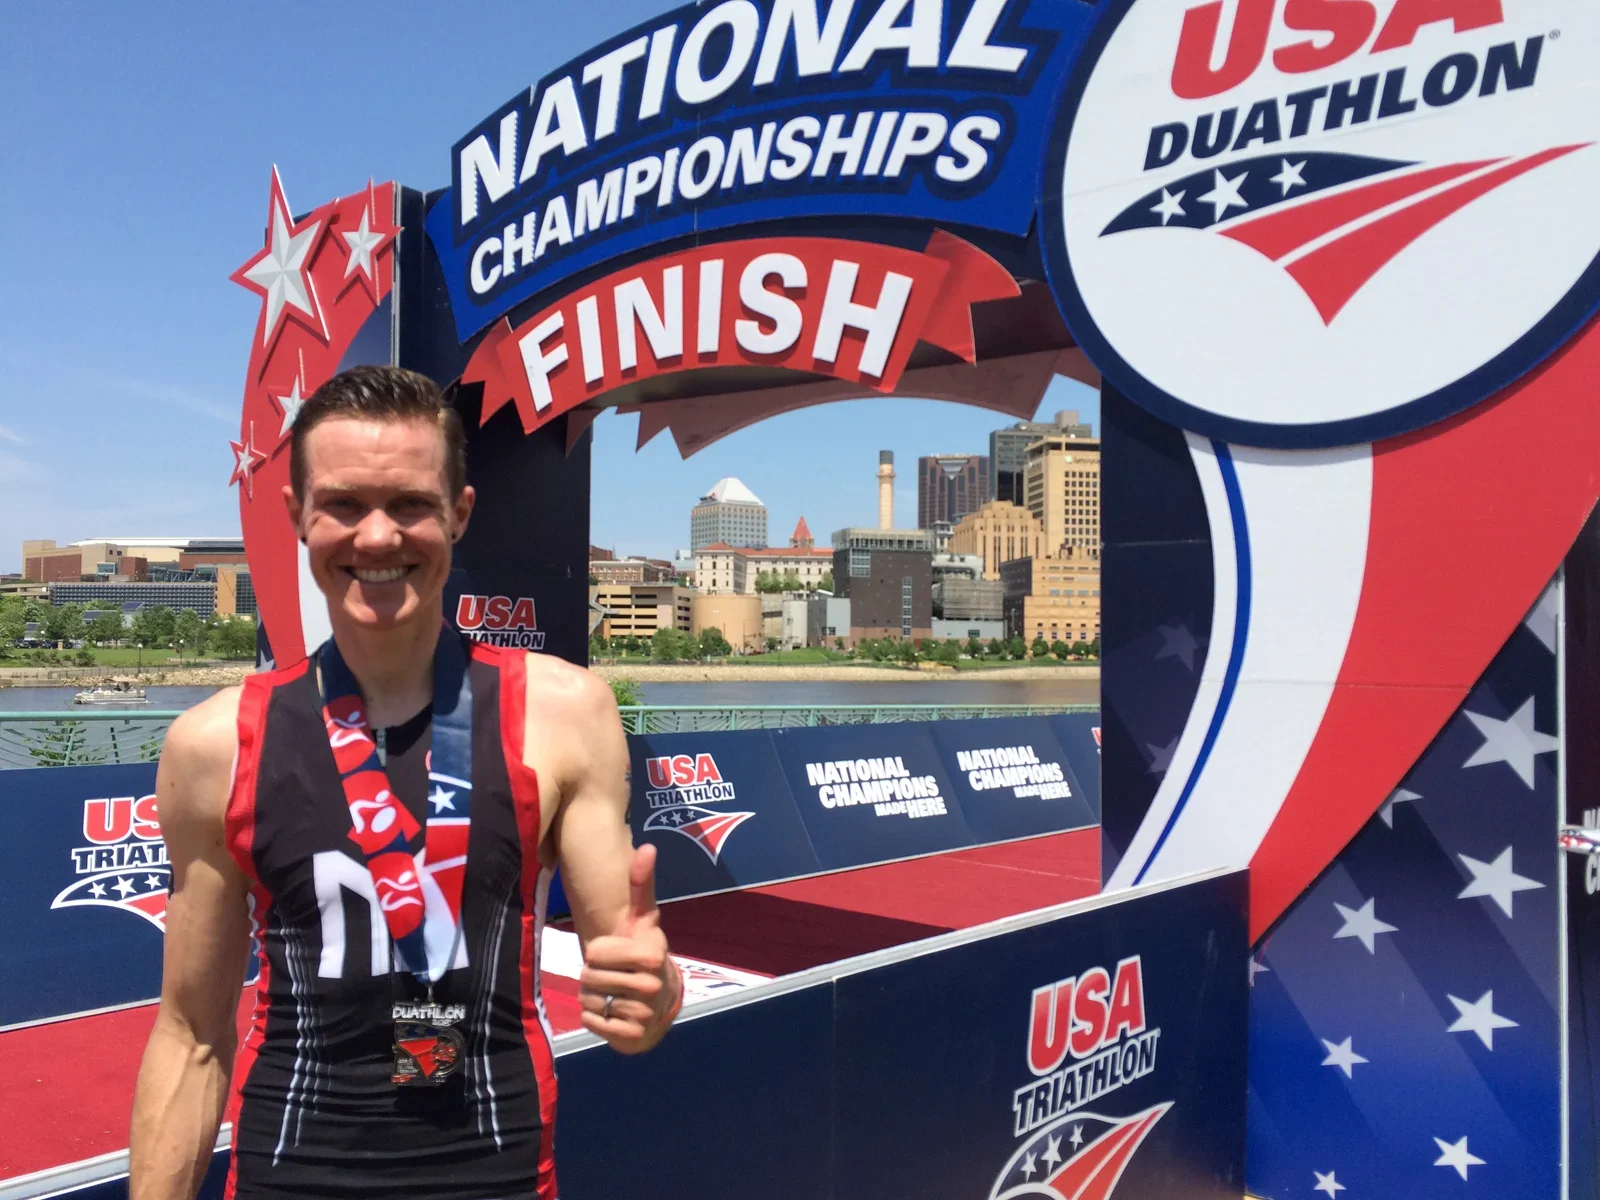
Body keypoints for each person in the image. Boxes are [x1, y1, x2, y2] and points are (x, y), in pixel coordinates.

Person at [129, 365, 680, 1200]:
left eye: (411, 505)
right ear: (298, 517)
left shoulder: (564, 714)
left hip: (497, 1177)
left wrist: (655, 995)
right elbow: (191, 1036)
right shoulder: (215, 745)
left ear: (459, 514)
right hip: (290, 1174)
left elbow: (627, 986)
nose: (378, 537)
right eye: (345, 504)